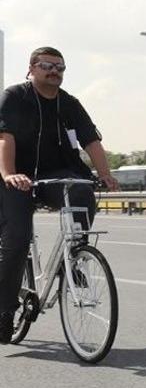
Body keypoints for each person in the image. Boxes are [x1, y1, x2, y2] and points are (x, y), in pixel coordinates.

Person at [0, 46, 120, 343]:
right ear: (32, 68)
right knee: (17, 240)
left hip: (54, 176)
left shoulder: (69, 104)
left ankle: (74, 256)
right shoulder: (14, 97)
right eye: (47, 66)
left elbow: (91, 141)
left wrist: (104, 173)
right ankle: (4, 312)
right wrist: (9, 174)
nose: (54, 71)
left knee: (82, 190)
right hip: (16, 178)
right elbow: (5, 138)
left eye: (60, 67)